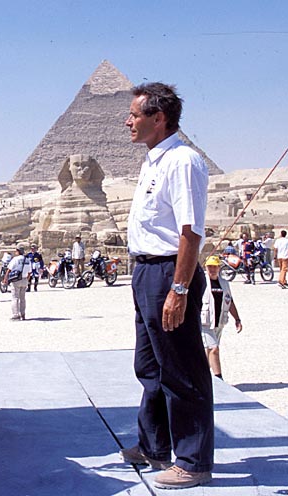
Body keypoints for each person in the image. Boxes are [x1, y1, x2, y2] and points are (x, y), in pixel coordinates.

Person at [121, 82, 213, 489]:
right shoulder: (154, 160)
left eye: (134, 115)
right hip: (145, 272)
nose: (127, 121)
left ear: (158, 118)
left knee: (182, 370)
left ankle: (193, 461)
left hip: (168, 274)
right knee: (150, 366)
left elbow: (190, 232)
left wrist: (179, 289)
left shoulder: (182, 161)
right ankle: (154, 446)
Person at [201, 256, 242, 380]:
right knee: (214, 349)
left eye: (215, 267)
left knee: (208, 352)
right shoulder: (202, 282)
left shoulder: (224, 283)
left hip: (219, 322)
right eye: (210, 267)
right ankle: (219, 378)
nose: (212, 269)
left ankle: (202, 378)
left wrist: (237, 319)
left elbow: (229, 301)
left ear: (219, 267)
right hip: (205, 322)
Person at [4, 247, 30, 320]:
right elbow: (29, 272)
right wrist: (27, 280)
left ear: (18, 252)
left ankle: (15, 315)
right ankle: (23, 314)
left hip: (16, 280)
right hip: (24, 279)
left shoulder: (15, 259)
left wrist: (5, 278)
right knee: (22, 299)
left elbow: (9, 270)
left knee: (15, 298)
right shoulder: (27, 259)